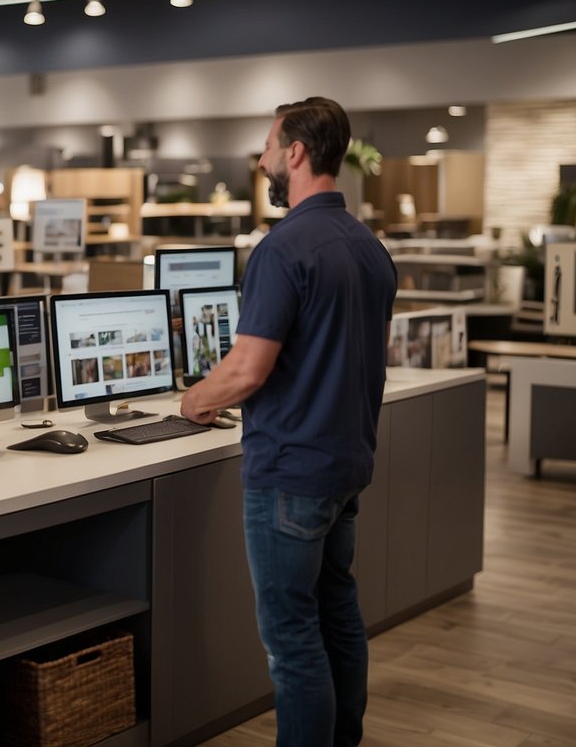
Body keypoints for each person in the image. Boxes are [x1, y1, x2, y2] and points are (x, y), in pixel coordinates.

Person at [179, 97, 397, 746]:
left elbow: (246, 369)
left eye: (269, 146)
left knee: (291, 640)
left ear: (294, 153)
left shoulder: (282, 249)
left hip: (289, 473)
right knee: (336, 613)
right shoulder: (367, 246)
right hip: (344, 464)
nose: (263, 160)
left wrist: (192, 400)